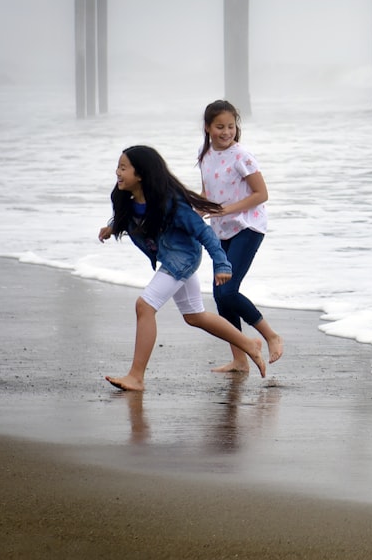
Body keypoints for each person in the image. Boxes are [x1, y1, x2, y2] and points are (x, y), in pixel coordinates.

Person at [98, 145, 266, 391]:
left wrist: (221, 263)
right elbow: (133, 218)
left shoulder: (170, 203)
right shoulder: (125, 197)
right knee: (194, 316)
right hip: (170, 257)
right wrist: (112, 227)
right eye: (118, 167)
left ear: (142, 173)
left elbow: (204, 233)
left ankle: (136, 376)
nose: (118, 172)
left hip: (183, 258)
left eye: (124, 168)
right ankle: (249, 344)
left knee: (144, 306)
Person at [197, 99, 283, 372]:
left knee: (228, 291)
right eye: (220, 126)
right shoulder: (205, 153)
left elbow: (262, 194)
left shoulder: (242, 156)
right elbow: (207, 192)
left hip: (248, 227)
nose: (226, 132)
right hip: (220, 230)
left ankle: (270, 336)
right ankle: (239, 360)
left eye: (231, 126)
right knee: (220, 296)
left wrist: (227, 210)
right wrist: (196, 211)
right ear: (208, 127)